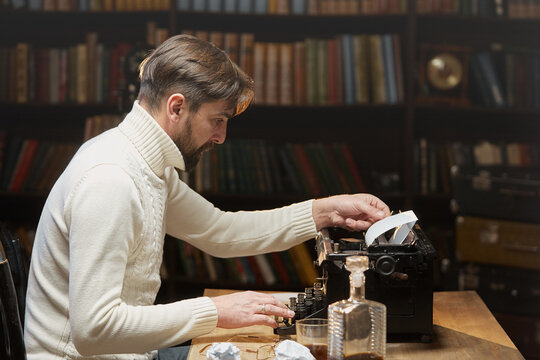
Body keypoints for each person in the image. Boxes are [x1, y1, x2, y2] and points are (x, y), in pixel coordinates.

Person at [24, 34, 391, 360]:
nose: (221, 137)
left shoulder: (147, 166)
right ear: (177, 107)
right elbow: (93, 331)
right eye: (218, 119)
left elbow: (220, 231)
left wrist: (327, 211)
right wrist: (214, 311)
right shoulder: (111, 180)